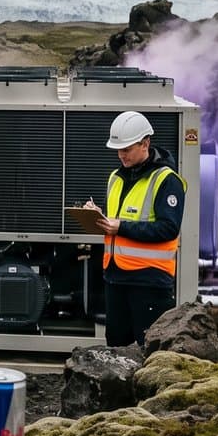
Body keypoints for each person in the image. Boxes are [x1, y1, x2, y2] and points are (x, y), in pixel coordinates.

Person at [80, 111, 184, 348]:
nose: (121, 155)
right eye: (118, 149)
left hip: (149, 280)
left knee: (149, 348)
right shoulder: (115, 177)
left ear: (145, 143)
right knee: (116, 345)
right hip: (116, 277)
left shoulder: (167, 180)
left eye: (126, 149)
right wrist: (98, 216)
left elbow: (169, 228)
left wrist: (121, 227)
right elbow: (119, 219)